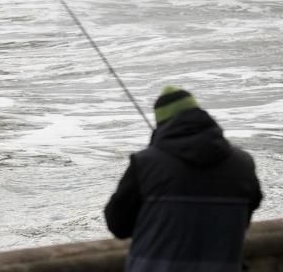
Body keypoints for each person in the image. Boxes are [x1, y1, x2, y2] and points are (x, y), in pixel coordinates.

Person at [104, 86, 263, 272]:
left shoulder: (145, 163)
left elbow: (118, 225)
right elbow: (244, 219)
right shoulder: (243, 164)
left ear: (162, 124)